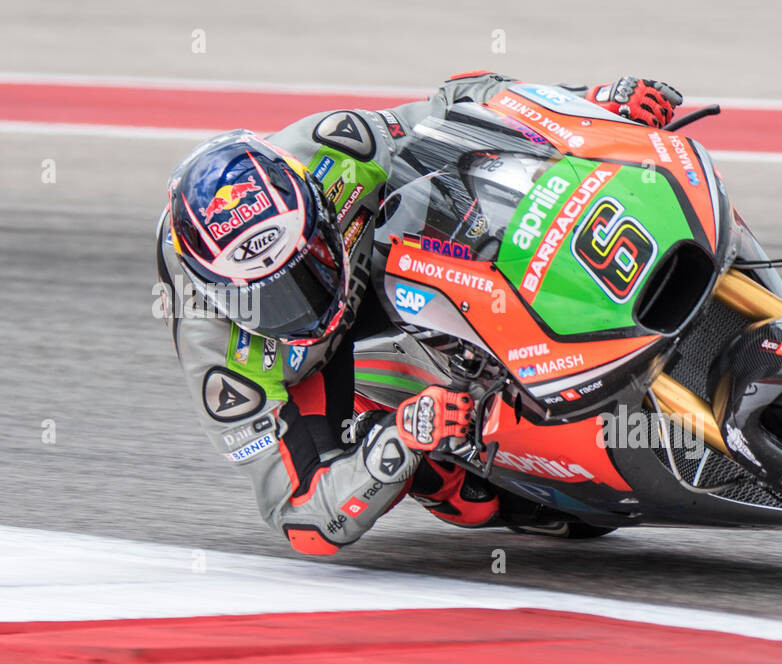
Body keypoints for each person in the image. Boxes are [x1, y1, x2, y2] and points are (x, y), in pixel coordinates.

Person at [156, 72, 682, 555]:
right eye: (268, 297)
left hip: (381, 256)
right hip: (314, 365)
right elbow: (302, 519)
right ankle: (503, 482)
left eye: (307, 265)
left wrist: (589, 103)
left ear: (316, 206)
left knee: (476, 173)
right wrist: (401, 437)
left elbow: (464, 102)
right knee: (461, 491)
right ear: (217, 293)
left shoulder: (332, 151)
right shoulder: (216, 356)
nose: (300, 303)